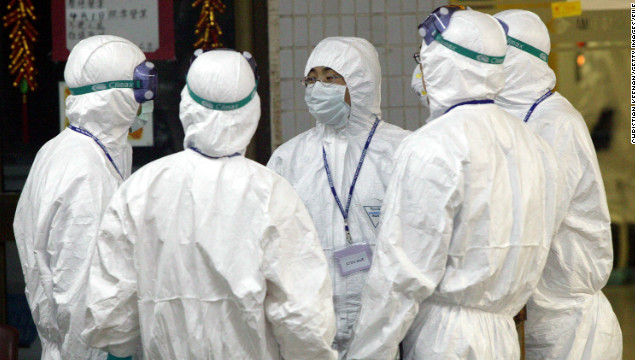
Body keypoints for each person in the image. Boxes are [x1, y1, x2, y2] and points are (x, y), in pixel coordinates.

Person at [80, 49, 338, 360]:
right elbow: (304, 320)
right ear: (250, 110)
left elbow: (110, 316)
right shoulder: (272, 193)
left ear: (187, 104)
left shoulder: (141, 189)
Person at [346, 7, 561, 359]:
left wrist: (368, 353)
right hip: (504, 336)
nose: (421, 70)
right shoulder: (535, 145)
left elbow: (400, 274)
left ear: (443, 61)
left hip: (445, 340)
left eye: (424, 57)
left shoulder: (431, 146)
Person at [267, 36, 410, 358]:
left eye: (331, 77)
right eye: (312, 78)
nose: (319, 87)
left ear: (361, 84)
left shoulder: (401, 151)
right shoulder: (289, 158)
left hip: (385, 328)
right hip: (313, 328)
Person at [12, 35, 153, 360]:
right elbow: (79, 296)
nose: (147, 100)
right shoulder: (84, 172)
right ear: (115, 95)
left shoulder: (72, 149)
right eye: (142, 87)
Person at [494, 10, 623, 359]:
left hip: (574, 326)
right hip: (544, 315)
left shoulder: (555, 122)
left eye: (496, 54)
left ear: (520, 57)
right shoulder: (515, 119)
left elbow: (537, 222)